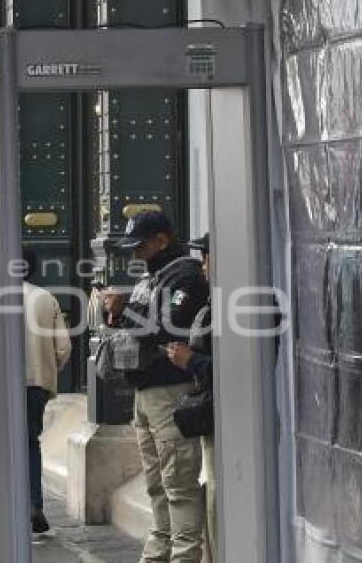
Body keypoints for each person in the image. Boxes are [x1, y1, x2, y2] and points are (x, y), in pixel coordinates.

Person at [111, 211, 209, 562]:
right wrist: (119, 312)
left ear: (162, 240)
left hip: (170, 391)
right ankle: (158, 553)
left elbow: (168, 327)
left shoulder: (185, 276)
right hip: (147, 392)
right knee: (156, 483)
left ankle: (183, 556)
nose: (135, 255)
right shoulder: (153, 277)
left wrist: (125, 313)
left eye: (140, 246)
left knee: (178, 482)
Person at [0, 249, 72, 534]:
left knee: (1, 445)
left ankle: (5, 505)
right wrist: (48, 368)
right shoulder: (45, 298)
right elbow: (63, 348)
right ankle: (33, 504)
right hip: (36, 383)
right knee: (29, 442)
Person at [165, 232, 215, 562]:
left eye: (208, 257)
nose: (204, 265)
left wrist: (190, 360)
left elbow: (244, 370)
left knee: (220, 505)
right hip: (215, 417)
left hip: (231, 417)